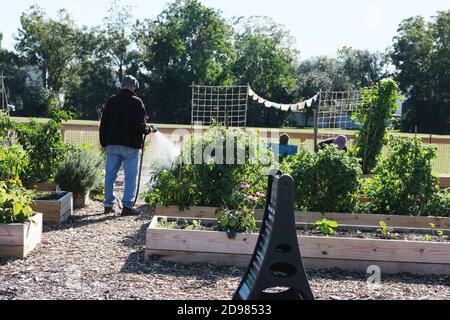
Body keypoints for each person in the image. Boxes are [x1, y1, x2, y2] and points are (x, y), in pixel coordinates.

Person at [100, 75, 151, 216]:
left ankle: (108, 205)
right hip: (130, 146)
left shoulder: (112, 101)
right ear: (133, 86)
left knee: (110, 175)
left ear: (122, 85)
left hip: (112, 144)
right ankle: (127, 206)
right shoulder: (137, 102)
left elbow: (103, 124)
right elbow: (140, 126)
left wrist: (103, 143)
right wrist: (148, 129)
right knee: (130, 176)